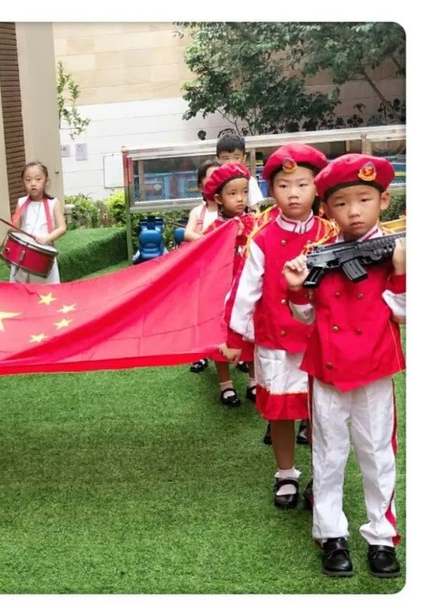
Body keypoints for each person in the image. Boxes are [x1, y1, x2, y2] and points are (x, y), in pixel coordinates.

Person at [283, 153, 405, 578]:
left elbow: (406, 313)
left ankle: (381, 537)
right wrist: (297, 290)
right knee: (328, 455)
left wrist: (401, 272)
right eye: (341, 203)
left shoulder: (397, 250)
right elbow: (306, 318)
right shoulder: (318, 253)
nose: (354, 211)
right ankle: (331, 533)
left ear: (383, 200)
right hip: (328, 370)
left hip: (374, 368)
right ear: (326, 209)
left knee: (377, 455)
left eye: (364, 199)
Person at [222, 144, 336, 510]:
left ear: (317, 187)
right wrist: (234, 337)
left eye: (303, 184)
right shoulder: (262, 236)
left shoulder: (331, 233)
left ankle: (323, 475)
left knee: (322, 413)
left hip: (321, 339)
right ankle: (285, 473)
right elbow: (245, 290)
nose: (293, 194)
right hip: (275, 338)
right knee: (280, 412)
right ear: (271, 190)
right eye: (284, 186)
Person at [200, 162, 258, 407]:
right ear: (218, 199)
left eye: (244, 192)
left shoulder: (255, 222)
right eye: (233, 193)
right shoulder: (213, 229)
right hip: (221, 292)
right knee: (221, 336)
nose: (240, 198)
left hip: (249, 288)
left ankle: (254, 381)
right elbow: (206, 261)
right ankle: (226, 384)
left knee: (252, 332)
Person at [185, 159, 221, 374]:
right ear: (200, 186)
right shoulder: (198, 212)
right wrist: (209, 240)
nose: (216, 182)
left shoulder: (232, 210)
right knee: (200, 312)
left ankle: (239, 352)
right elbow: (188, 233)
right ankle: (200, 353)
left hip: (227, 270)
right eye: (211, 178)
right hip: (203, 271)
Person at [9, 161, 67, 283]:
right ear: (23, 182)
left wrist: (47, 238)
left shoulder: (53, 203)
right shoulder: (21, 202)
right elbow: (15, 229)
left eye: (38, 179)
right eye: (28, 180)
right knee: (22, 288)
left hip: (44, 253)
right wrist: (13, 224)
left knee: (45, 289)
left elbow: (62, 227)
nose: (33, 183)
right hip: (23, 253)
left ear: (47, 181)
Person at [216, 133, 264, 210]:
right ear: (218, 160)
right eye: (226, 158)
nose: (231, 163)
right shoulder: (215, 182)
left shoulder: (250, 181)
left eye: (236, 158)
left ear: (244, 159)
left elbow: (255, 208)